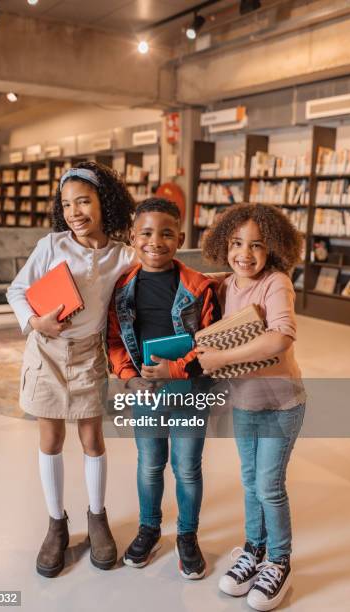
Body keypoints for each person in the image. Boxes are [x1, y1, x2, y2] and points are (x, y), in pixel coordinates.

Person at [7, 161, 136, 577]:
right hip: (46, 350)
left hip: (87, 356)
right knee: (51, 437)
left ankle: (96, 517)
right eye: (66, 204)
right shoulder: (51, 245)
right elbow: (17, 290)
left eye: (84, 201)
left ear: (105, 202)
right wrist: (34, 321)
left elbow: (158, 266)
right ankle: (55, 524)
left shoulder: (122, 254)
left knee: (92, 438)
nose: (75, 211)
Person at [197, 203, 306, 611]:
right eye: (237, 243)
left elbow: (280, 337)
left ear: (274, 248)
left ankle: (279, 562)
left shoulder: (276, 282)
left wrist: (221, 359)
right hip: (244, 402)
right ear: (224, 243)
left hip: (281, 405)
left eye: (257, 245)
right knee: (249, 481)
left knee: (268, 486)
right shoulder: (227, 284)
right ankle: (254, 550)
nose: (245, 253)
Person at [107, 197, 221, 580]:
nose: (156, 241)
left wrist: (177, 369)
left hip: (190, 391)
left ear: (181, 238)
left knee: (187, 467)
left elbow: (210, 342)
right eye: (146, 233)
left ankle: (187, 535)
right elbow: (115, 340)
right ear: (132, 237)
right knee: (149, 463)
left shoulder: (199, 287)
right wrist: (129, 376)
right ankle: (149, 527)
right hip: (146, 391)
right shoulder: (121, 288)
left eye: (167, 233)